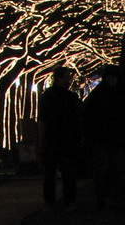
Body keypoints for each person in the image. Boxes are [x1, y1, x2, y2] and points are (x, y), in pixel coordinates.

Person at [82, 64, 125, 211]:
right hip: (106, 140)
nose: (112, 80)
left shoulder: (99, 95)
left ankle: (111, 198)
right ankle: (106, 198)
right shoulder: (119, 95)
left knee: (114, 171)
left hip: (112, 140)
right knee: (106, 171)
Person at [38, 65, 82, 210]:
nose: (70, 79)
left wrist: (41, 138)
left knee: (50, 173)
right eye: (68, 76)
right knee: (68, 172)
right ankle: (69, 200)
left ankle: (50, 201)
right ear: (61, 78)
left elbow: (42, 119)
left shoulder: (47, 96)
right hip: (66, 138)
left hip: (52, 138)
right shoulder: (71, 97)